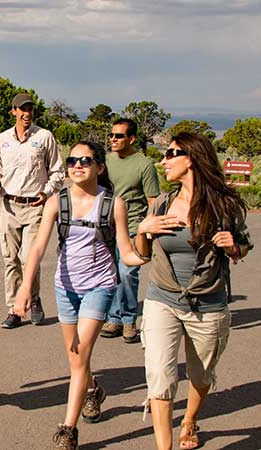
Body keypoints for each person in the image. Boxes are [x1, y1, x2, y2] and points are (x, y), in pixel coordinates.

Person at [13, 141, 146, 450]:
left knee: (79, 354)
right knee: (76, 358)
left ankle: (68, 429)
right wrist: (24, 289)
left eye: (85, 161)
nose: (77, 166)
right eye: (72, 160)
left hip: (100, 285)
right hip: (65, 287)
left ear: (100, 167)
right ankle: (93, 389)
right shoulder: (57, 202)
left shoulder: (114, 204)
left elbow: (126, 252)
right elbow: (37, 247)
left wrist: (149, 250)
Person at [134, 132, 253, 450]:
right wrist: (143, 231)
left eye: (171, 154)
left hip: (208, 303)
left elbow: (243, 244)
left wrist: (233, 247)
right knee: (159, 374)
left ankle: (189, 420)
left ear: (191, 158)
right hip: (162, 297)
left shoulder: (224, 204)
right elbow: (142, 251)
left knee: (200, 375)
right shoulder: (162, 202)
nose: (164, 161)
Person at [0, 92, 65, 329]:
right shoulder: (2, 140)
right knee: (10, 259)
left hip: (34, 206)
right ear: (13, 111)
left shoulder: (44, 137)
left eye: (30, 109)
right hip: (9, 206)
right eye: (22, 109)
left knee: (29, 257)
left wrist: (47, 192)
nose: (26, 114)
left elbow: (58, 172)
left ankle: (33, 298)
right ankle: (14, 309)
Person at [101, 118, 160, 343]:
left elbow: (153, 200)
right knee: (111, 274)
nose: (113, 139)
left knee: (127, 274)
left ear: (131, 138)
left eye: (119, 136)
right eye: (112, 135)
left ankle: (128, 320)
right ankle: (113, 318)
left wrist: (148, 229)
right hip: (108, 226)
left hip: (134, 226)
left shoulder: (144, 164)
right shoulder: (105, 161)